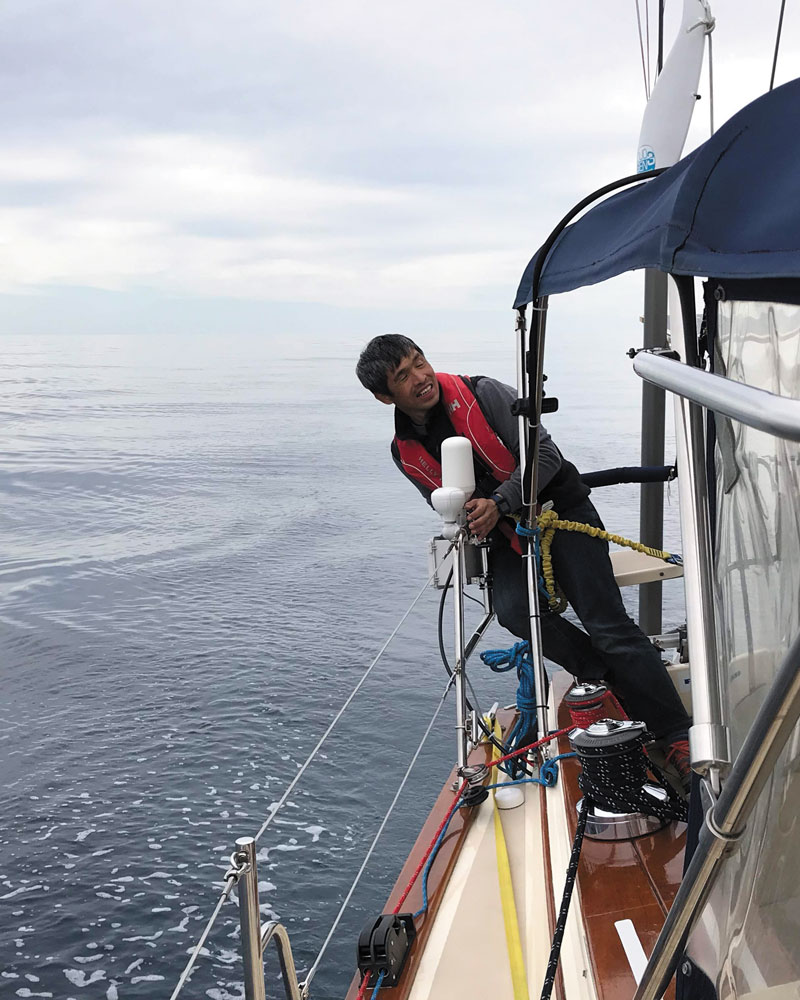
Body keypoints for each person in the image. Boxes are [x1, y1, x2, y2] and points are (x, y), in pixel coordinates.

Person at [356, 333, 692, 785]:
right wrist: (477, 518)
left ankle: (677, 735)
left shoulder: (484, 394)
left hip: (561, 511)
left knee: (608, 625)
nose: (421, 377)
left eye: (420, 362)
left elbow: (547, 455)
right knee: (514, 611)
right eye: (403, 376)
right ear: (385, 397)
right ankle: (612, 676)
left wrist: (500, 500)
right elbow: (441, 503)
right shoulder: (404, 453)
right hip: (507, 537)